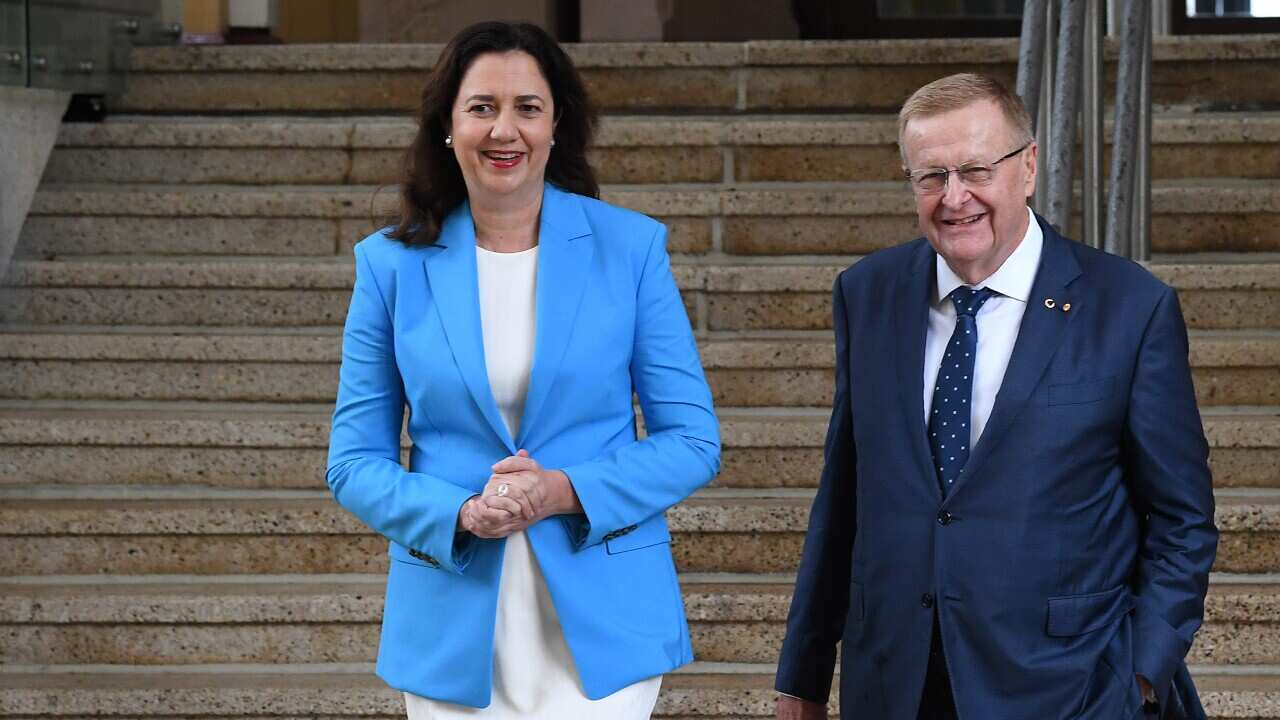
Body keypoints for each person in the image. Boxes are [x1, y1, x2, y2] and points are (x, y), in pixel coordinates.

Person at [773, 73, 1218, 720]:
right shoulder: (868, 292)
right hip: (895, 685)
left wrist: (1141, 677)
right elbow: (844, 497)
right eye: (931, 176)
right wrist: (803, 676)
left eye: (976, 170)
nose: (954, 198)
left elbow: (1183, 520)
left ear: (1028, 166)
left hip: (1069, 689)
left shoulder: (1129, 307)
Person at [325, 21, 720, 719]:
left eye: (527, 108)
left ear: (555, 124)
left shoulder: (631, 249)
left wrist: (561, 490)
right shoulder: (388, 266)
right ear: (448, 125)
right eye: (482, 107)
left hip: (605, 615)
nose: (504, 129)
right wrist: (461, 512)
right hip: (452, 620)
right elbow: (353, 463)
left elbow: (692, 441)